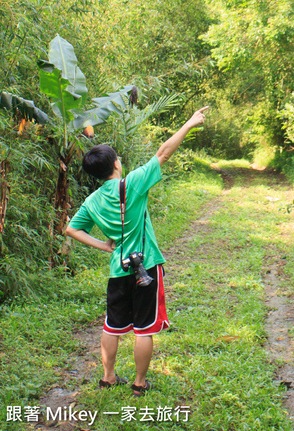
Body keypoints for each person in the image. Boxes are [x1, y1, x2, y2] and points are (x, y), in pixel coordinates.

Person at [66, 106, 208, 396]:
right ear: (116, 164)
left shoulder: (92, 201)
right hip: (146, 267)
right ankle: (139, 383)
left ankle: (108, 377)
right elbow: (163, 154)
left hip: (118, 270)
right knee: (144, 329)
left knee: (112, 326)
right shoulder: (132, 184)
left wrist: (104, 245)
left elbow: (71, 229)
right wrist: (189, 124)